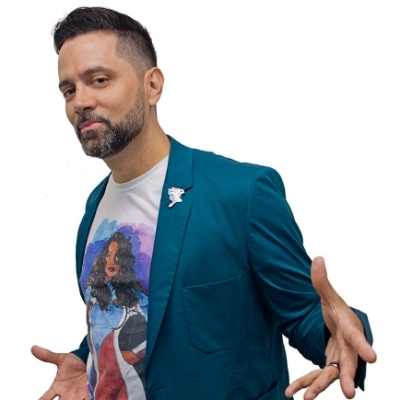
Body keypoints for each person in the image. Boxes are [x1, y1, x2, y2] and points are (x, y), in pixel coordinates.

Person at [31, 6, 376, 400]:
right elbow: (148, 309)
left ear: (153, 86)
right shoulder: (95, 207)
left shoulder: (241, 193)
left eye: (99, 79)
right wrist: (87, 357)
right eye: (69, 89)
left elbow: (307, 314)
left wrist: (339, 336)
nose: (81, 101)